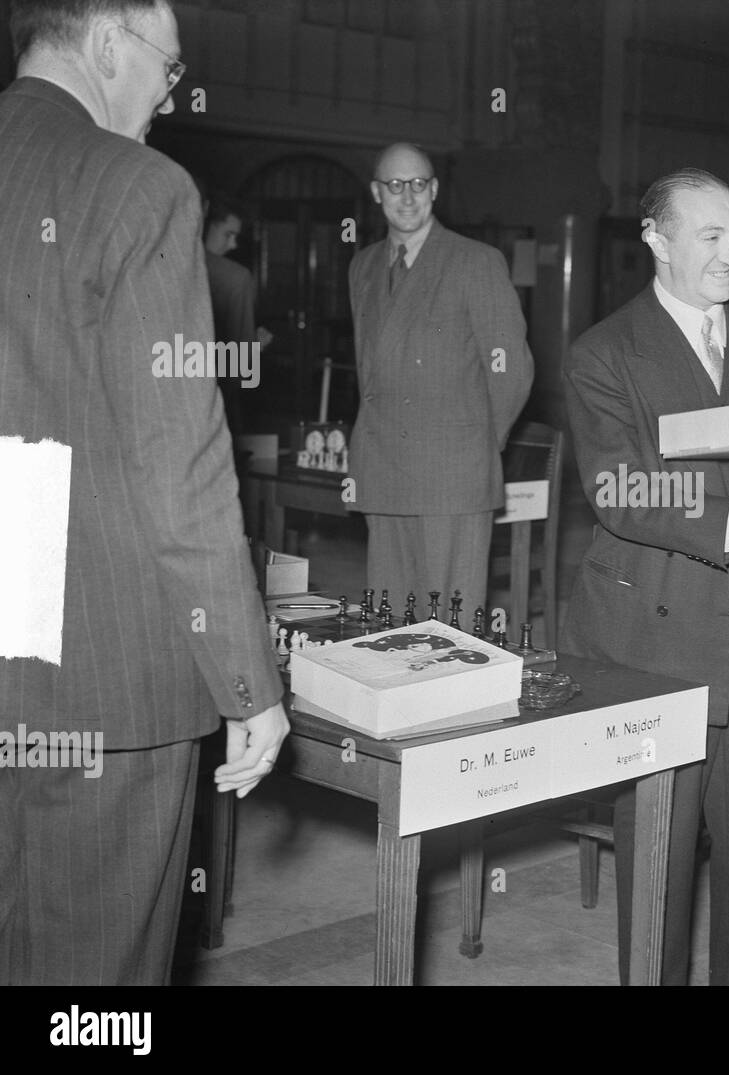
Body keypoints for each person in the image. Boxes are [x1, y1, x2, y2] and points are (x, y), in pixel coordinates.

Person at [0, 0, 288, 985]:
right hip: (105, 677)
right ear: (111, 38)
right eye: (169, 72)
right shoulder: (141, 189)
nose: (168, 100)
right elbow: (181, 462)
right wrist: (247, 682)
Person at [560, 167, 729, 985]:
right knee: (661, 861)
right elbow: (619, 489)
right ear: (656, 239)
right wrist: (728, 519)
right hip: (657, 641)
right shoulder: (605, 352)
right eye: (710, 235)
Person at [348, 142, 533, 619]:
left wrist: (475, 446)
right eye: (394, 185)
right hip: (382, 465)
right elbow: (370, 366)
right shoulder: (363, 265)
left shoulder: (476, 260)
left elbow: (509, 368)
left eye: (417, 184)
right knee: (386, 625)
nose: (406, 197)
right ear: (376, 192)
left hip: (452, 473)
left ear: (434, 190)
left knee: (449, 632)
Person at [201, 191, 264, 439]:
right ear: (206, 223)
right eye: (228, 234)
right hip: (217, 408)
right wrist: (255, 346)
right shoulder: (235, 278)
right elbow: (242, 367)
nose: (233, 245)